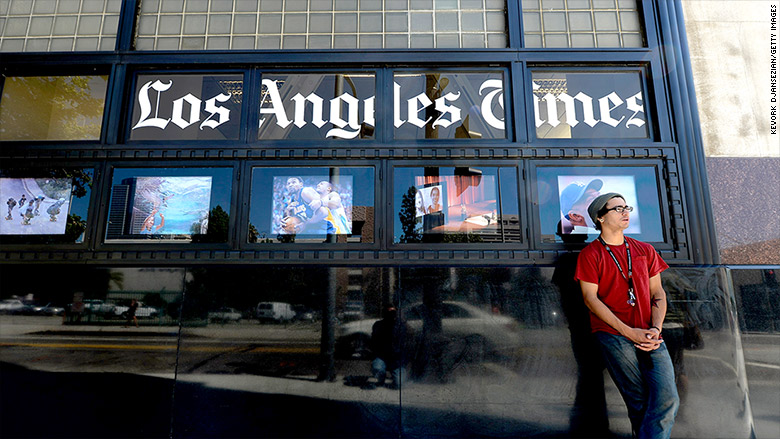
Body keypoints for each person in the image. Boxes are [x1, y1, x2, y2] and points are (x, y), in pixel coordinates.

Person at [575, 193, 679, 439]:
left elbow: (658, 293)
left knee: (669, 399)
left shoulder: (644, 250)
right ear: (600, 218)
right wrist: (628, 331)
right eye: (617, 208)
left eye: (626, 207)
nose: (625, 212)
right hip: (613, 335)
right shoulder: (591, 254)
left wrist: (655, 328)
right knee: (638, 401)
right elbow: (590, 299)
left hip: (650, 333)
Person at [369, 305, 408, 389]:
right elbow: (373, 342)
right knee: (377, 367)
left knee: (399, 383)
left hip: (396, 360)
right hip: (382, 357)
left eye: (393, 313)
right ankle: (381, 379)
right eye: (389, 313)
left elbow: (406, 342)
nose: (391, 315)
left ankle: (396, 377)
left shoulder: (401, 326)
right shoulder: (378, 325)